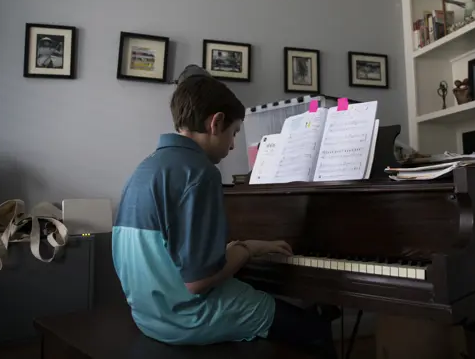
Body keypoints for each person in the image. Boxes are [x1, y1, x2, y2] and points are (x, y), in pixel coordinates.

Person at [112, 72, 336, 358]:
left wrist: (233, 252)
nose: (232, 146)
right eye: (234, 133)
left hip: (147, 316)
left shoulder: (145, 169)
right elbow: (198, 281)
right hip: (186, 318)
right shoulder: (199, 172)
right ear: (215, 122)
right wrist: (245, 250)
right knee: (314, 330)